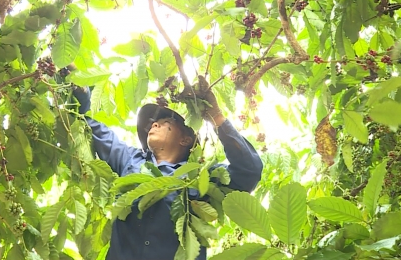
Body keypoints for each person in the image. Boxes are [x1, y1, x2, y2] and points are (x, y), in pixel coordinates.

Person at [72, 77, 263, 260]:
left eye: (165, 123)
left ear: (185, 139)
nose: (154, 124)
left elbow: (249, 171)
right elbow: (87, 125)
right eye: (153, 124)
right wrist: (80, 88)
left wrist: (217, 117)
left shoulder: (199, 177)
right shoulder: (130, 160)